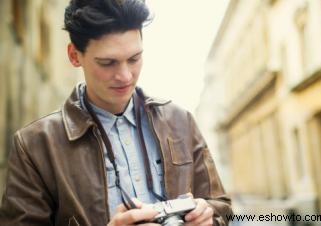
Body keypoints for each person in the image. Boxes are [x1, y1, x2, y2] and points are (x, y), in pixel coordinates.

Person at [0, 0, 232, 225]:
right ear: (74, 55)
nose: (125, 76)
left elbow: (224, 209)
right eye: (107, 63)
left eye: (134, 59)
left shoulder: (181, 120)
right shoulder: (34, 145)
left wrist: (208, 216)